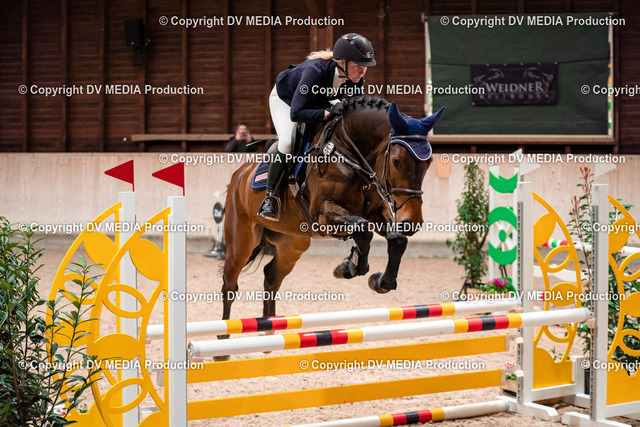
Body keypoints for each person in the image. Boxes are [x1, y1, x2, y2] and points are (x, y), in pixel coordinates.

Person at [258, 33, 377, 221]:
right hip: (287, 100)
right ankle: (270, 197)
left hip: (320, 100)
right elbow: (297, 113)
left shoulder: (356, 78)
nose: (362, 72)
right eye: (357, 66)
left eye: (365, 66)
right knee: (287, 142)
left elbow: (355, 112)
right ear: (342, 63)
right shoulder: (315, 71)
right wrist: (327, 113)